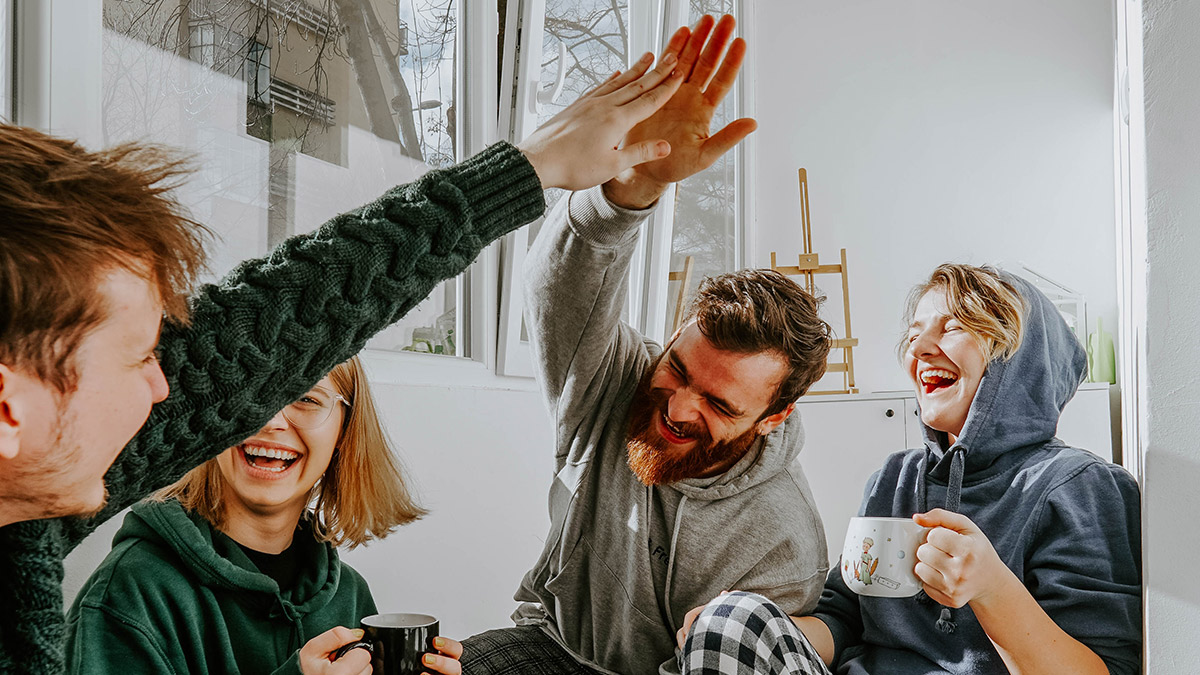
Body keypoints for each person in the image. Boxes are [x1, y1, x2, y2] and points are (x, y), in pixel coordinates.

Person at [0, 49, 686, 674]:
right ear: (8, 409)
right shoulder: (119, 588)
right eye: (140, 357)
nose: (164, 385)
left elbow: (275, 323)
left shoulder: (23, 520)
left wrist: (531, 168)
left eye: (307, 399)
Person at [459, 15, 834, 675]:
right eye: (678, 367)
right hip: (552, 645)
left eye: (719, 402)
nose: (679, 406)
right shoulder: (615, 382)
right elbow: (561, 287)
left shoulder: (782, 539)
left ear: (774, 417)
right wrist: (633, 188)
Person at [676, 264, 1142, 675]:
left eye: (954, 326)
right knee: (732, 622)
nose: (919, 346)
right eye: (916, 331)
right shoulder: (895, 477)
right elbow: (844, 618)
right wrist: (751, 628)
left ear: (1017, 360)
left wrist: (992, 589)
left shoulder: (1079, 486)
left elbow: (1105, 669)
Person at [64, 355, 463, 675]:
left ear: (343, 432)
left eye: (306, 398)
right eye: (252, 393)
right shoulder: (129, 593)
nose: (271, 422)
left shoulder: (348, 593)